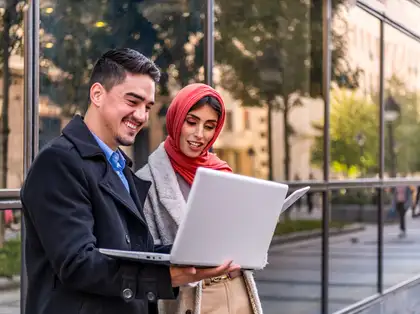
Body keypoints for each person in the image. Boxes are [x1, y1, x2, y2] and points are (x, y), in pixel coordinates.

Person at [20, 49, 239, 314]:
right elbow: (79, 263)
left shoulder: (119, 165)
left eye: (147, 106)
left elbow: (134, 250)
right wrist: (167, 276)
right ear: (97, 94)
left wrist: (197, 255)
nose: (141, 116)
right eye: (132, 101)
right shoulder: (58, 162)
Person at [136, 83, 263, 314]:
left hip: (238, 291)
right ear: (175, 121)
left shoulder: (221, 172)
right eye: (192, 122)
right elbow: (145, 257)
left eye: (209, 126)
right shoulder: (146, 181)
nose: (199, 134)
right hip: (192, 300)